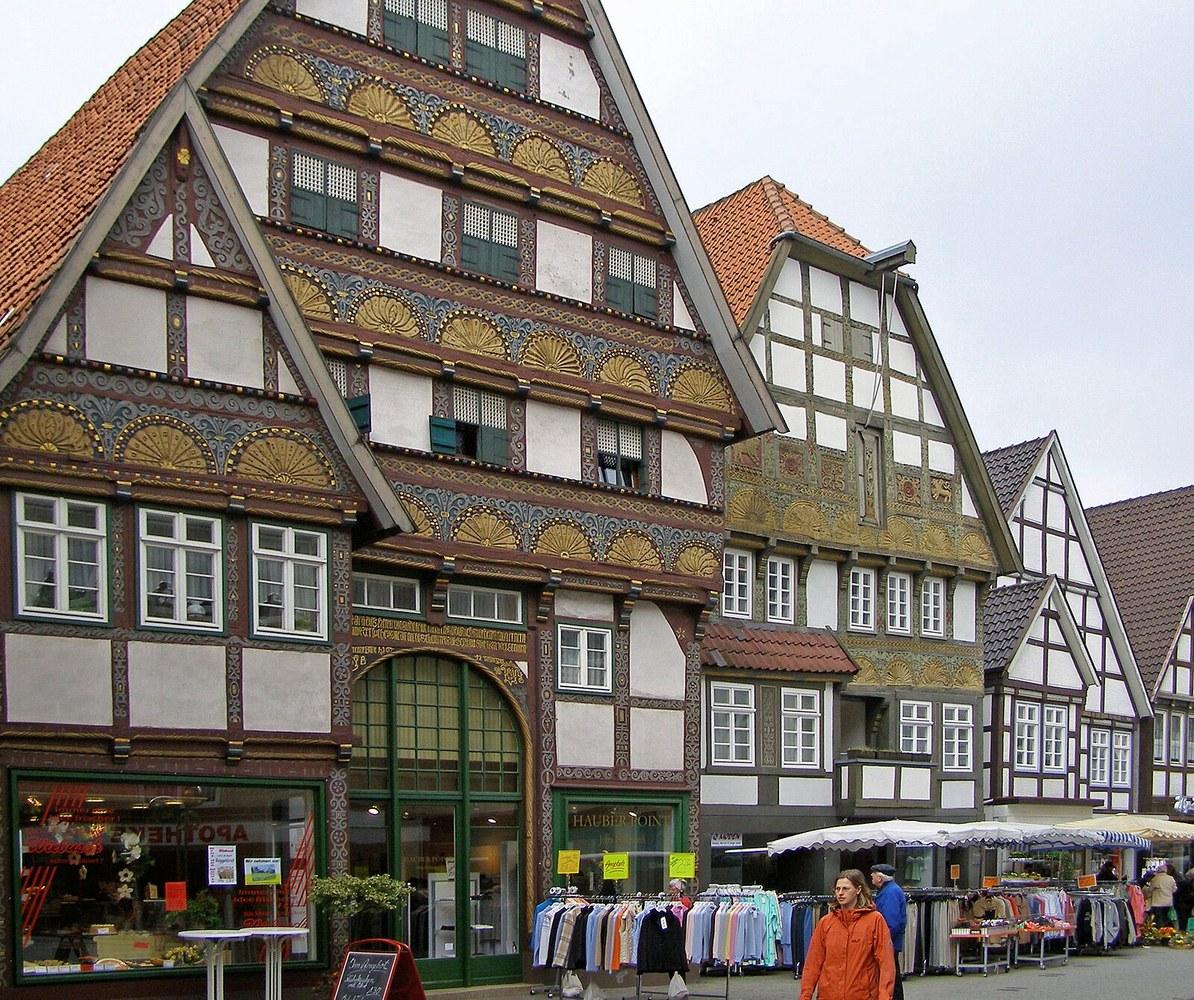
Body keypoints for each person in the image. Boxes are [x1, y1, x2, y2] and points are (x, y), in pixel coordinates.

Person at [799, 869, 895, 1000]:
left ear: (858, 889)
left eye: (845, 889)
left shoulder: (875, 920)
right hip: (829, 994)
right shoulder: (826, 923)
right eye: (837, 889)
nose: (840, 893)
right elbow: (813, 964)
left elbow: (886, 964)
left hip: (862, 995)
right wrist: (805, 995)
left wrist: (884, 996)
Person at [870, 864, 907, 1000]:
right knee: (892, 975)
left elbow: (892, 922)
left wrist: (881, 941)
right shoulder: (891, 890)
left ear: (879, 878)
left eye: (873, 875)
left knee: (890, 976)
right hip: (890, 941)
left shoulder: (890, 892)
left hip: (889, 942)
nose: (871, 877)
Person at [1145, 864, 1178, 928]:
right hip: (1168, 903)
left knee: (1159, 919)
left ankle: (1160, 932)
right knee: (1166, 918)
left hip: (1157, 903)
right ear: (1166, 870)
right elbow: (1175, 889)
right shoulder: (1171, 878)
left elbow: (1150, 890)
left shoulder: (1155, 879)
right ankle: (1167, 932)